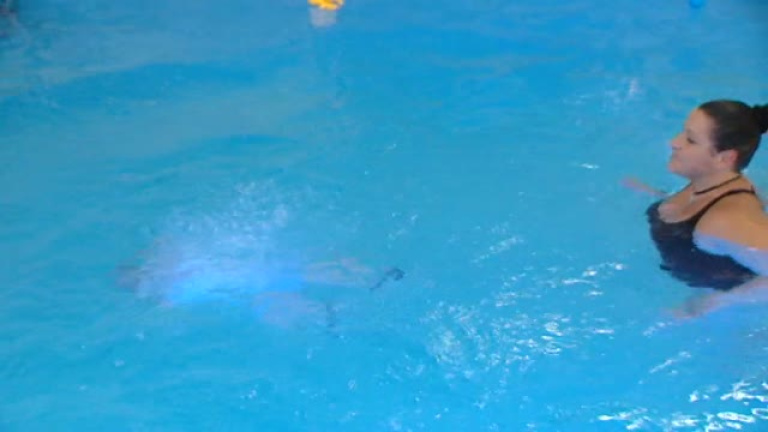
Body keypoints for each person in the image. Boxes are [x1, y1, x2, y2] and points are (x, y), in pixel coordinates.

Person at [626, 99, 768, 317]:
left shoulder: (725, 222)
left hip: (732, 320)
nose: (674, 142)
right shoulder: (711, 182)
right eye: (683, 132)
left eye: (690, 140)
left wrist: (714, 303)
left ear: (725, 158)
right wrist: (655, 194)